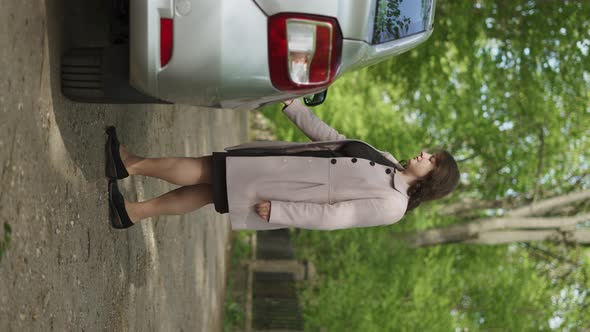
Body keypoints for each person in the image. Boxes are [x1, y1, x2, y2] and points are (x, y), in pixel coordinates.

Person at [106, 99, 459, 230]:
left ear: (433, 179)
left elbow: (336, 216)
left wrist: (281, 212)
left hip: (280, 187)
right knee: (205, 191)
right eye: (431, 153)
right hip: (277, 165)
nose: (425, 154)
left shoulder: (394, 204)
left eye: (433, 161)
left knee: (205, 171)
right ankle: (134, 212)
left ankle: (130, 165)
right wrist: (296, 109)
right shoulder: (385, 162)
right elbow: (334, 139)